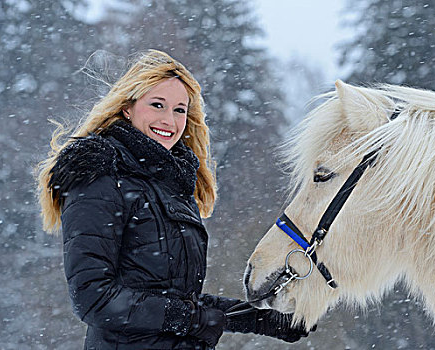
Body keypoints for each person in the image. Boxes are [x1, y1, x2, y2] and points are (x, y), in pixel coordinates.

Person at [36, 49, 311, 349]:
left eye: (179, 110)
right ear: (127, 107)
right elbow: (93, 297)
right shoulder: (100, 174)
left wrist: (264, 319)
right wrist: (192, 319)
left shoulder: (172, 183)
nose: (169, 120)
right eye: (157, 105)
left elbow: (180, 300)